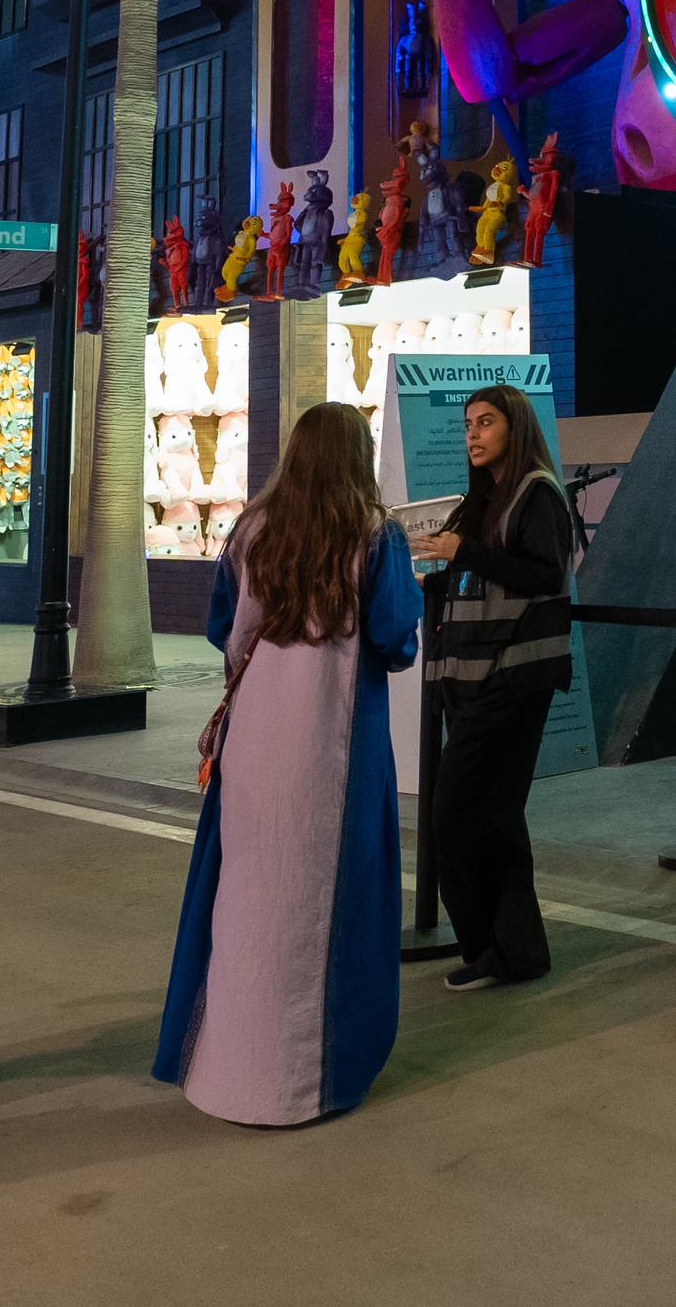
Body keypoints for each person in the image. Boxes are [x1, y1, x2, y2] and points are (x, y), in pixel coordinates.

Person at [157, 400, 424, 1123]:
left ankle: (225, 1070)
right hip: (333, 743)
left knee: (245, 892)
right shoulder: (375, 535)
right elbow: (396, 638)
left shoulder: (252, 529)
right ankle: (305, 1083)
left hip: (255, 738)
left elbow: (223, 628)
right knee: (328, 900)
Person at [412, 383, 572, 989]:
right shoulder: (483, 499)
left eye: (485, 423)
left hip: (513, 677)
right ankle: (507, 951)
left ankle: (496, 949)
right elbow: (468, 576)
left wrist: (467, 553)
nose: (473, 434)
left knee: (462, 813)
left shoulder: (536, 493)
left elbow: (543, 573)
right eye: (468, 425)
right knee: (490, 817)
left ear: (515, 428)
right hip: (470, 679)